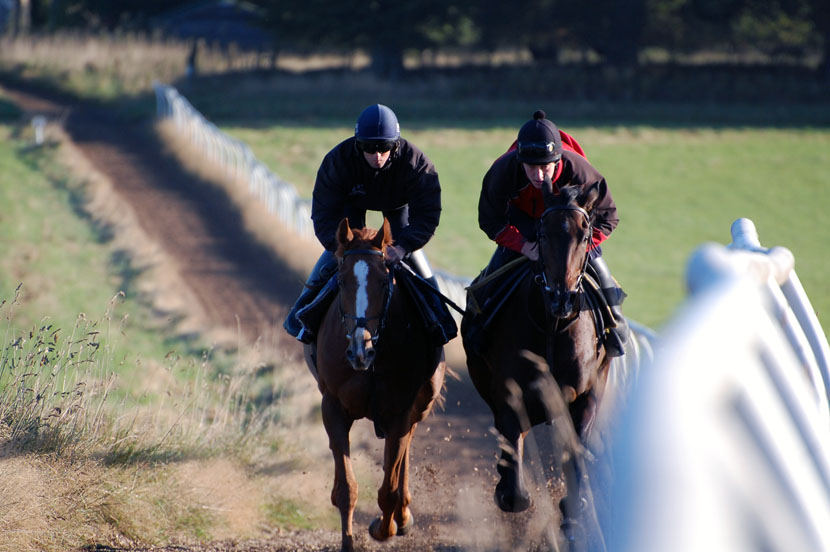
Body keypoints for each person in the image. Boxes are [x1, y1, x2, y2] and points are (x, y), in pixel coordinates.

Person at [283, 103, 444, 344]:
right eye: (369, 148)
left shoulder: (417, 163)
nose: (377, 155)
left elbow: (427, 214)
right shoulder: (338, 161)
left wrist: (403, 247)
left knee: (418, 267)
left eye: (385, 147)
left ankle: (440, 318)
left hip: (398, 207)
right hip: (351, 206)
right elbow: (324, 215)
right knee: (334, 261)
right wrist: (341, 249)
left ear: (396, 145)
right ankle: (301, 316)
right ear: (358, 146)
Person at [477, 110, 629, 356]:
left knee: (601, 271)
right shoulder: (503, 171)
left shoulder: (582, 174)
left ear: (557, 161)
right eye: (531, 167)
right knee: (489, 283)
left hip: (570, 229)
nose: (538, 176)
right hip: (524, 223)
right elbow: (490, 220)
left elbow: (608, 217)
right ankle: (478, 328)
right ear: (520, 161)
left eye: (545, 167)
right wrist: (523, 246)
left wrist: (578, 248)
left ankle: (617, 323)